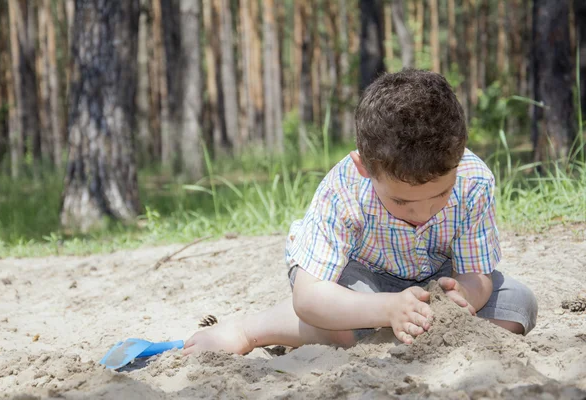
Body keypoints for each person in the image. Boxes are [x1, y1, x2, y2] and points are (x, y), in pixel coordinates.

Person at [182, 69, 538, 355]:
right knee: (351, 325)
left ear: (458, 161)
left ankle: (396, 332)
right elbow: (309, 296)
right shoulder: (344, 188)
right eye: (402, 202)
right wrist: (387, 309)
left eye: (441, 194)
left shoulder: (474, 180)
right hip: (355, 279)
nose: (423, 213)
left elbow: (477, 274)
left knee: (519, 308)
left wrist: (461, 298)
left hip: (433, 281)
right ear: (364, 167)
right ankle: (251, 328)